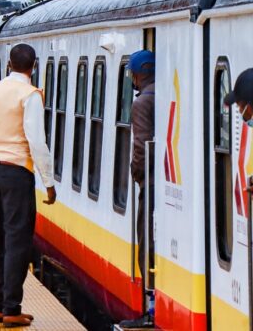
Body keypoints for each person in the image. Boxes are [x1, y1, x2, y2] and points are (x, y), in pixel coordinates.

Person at [0, 43, 56, 328]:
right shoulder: (30, 95)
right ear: (33, 66)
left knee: (1, 239)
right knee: (18, 241)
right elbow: (37, 142)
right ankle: (12, 308)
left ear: (9, 65)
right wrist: (48, 182)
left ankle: (1, 305)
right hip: (17, 173)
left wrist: (1, 148)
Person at [119, 50, 156, 329]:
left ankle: (151, 306)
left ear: (138, 74)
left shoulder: (142, 102)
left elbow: (141, 146)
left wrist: (138, 174)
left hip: (152, 184)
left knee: (147, 243)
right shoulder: (166, 94)